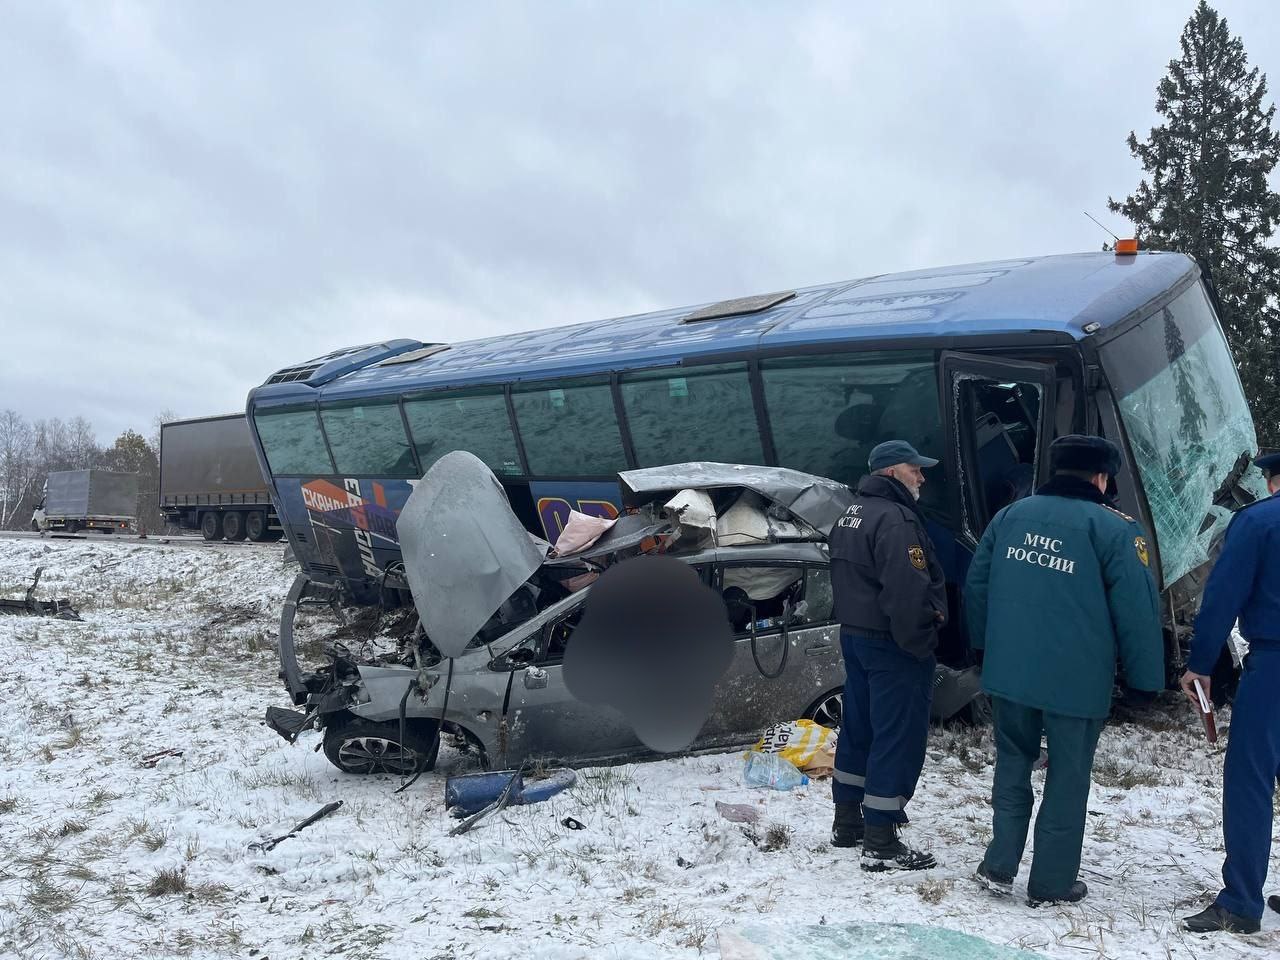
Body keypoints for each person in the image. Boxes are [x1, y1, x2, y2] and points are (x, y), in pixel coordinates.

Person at [964, 435, 1163, 906]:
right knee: (1068, 776)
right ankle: (1051, 882)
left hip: (1010, 671)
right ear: (1101, 477)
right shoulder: (1117, 529)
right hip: (1077, 680)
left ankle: (998, 864)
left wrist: (980, 647)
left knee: (1012, 763)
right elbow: (1137, 610)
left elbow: (977, 585)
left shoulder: (1011, 516)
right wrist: (1145, 682)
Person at [828, 439, 947, 872]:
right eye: (915, 469)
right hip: (893, 642)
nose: (922, 477)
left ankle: (847, 822)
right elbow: (907, 589)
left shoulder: (850, 513)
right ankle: (880, 837)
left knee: (858, 728)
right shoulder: (896, 520)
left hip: (856, 636)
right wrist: (919, 642)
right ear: (893, 472)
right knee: (896, 734)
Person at [1181, 451, 1280, 935]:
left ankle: (1241, 900)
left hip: (1275, 665)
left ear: (1270, 480)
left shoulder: (1259, 521)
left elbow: (1223, 593)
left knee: (1251, 779)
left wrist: (1201, 664)